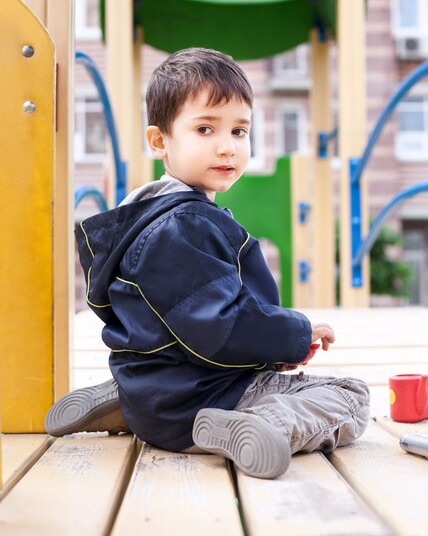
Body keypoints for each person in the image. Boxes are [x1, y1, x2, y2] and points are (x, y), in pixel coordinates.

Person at [45, 47, 370, 479]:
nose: (226, 146)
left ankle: (127, 401)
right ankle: (258, 425)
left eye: (239, 131)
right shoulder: (185, 225)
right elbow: (221, 327)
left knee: (177, 381)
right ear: (160, 140)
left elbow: (171, 319)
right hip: (204, 396)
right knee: (350, 394)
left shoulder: (142, 214)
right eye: (205, 128)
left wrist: (271, 348)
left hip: (158, 391)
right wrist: (293, 333)